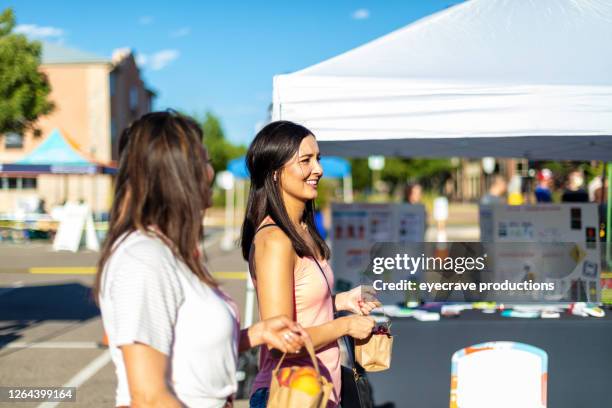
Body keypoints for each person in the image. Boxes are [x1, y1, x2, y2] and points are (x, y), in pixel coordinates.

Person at [94, 112, 307, 408]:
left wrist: (257, 333)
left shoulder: (170, 251)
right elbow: (148, 397)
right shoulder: (143, 258)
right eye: (204, 162)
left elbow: (190, 349)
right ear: (175, 173)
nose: (211, 172)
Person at [241, 121, 380, 408]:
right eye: (306, 160)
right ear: (275, 173)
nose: (318, 169)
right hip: (289, 394)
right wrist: (346, 326)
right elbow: (281, 339)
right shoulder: (274, 240)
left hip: (318, 392)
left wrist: (341, 300)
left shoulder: (302, 229)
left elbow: (300, 306)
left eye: (317, 158)